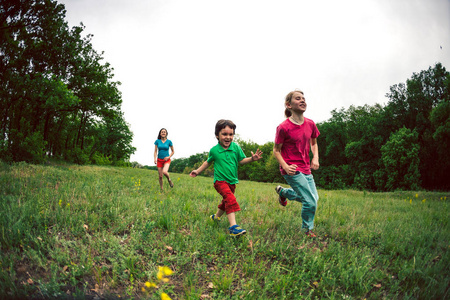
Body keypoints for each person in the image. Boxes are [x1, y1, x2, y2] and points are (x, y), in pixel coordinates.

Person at [190, 119, 263, 236]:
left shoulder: (236, 147)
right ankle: (233, 227)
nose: (228, 137)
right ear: (217, 135)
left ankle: (216, 217)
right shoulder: (214, 150)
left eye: (231, 134)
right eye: (224, 134)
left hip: (232, 181)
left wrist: (251, 159)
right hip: (220, 181)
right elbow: (207, 162)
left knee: (226, 202)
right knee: (230, 199)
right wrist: (197, 171)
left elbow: (242, 161)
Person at [273, 90, 320, 238]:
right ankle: (307, 230)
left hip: (306, 167)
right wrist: (285, 166)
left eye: (303, 98)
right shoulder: (283, 127)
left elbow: (314, 143)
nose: (302, 100)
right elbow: (276, 150)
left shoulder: (311, 124)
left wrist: (315, 158)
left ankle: (284, 192)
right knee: (310, 202)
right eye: (298, 98)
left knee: (313, 198)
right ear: (289, 105)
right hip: (291, 169)